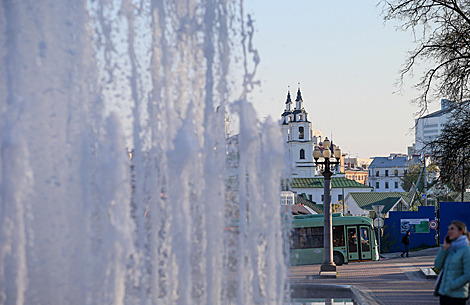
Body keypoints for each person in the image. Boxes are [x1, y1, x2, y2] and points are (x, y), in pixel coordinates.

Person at [434, 220, 470, 305]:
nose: (449, 231)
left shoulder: (466, 250)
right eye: (448, 229)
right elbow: (438, 266)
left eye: (452, 229)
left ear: (460, 232)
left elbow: (468, 274)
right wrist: (444, 249)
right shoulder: (450, 249)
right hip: (444, 294)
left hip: (458, 295)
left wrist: (452, 285)